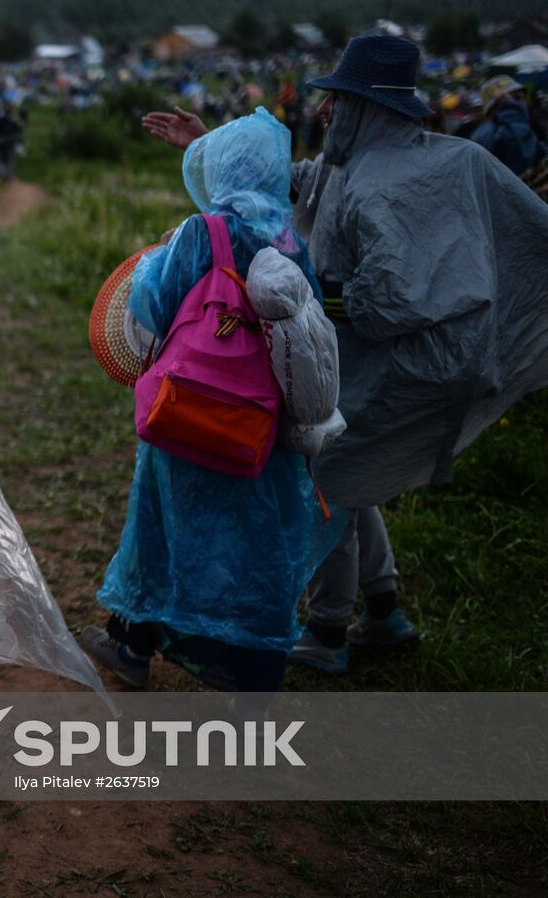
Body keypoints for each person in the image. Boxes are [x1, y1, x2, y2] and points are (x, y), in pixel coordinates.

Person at [145, 34, 548, 675]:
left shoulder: (384, 185)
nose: (326, 110)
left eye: (338, 100)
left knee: (324, 476)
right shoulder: (367, 163)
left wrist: (300, 298)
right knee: (350, 465)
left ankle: (328, 630)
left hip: (412, 364)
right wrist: (210, 142)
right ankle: (383, 610)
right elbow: (295, 182)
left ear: (367, 106)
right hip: (396, 355)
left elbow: (389, 299)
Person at [83, 108, 323, 693]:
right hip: (259, 423)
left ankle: (132, 644)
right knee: (257, 544)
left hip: (190, 409)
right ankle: (254, 672)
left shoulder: (203, 232)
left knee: (163, 525)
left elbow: (150, 305)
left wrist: (157, 258)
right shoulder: (292, 243)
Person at [472, 76, 545, 176]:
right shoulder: (499, 129)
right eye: (517, 98)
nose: (524, 103)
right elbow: (525, 159)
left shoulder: (493, 128)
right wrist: (511, 110)